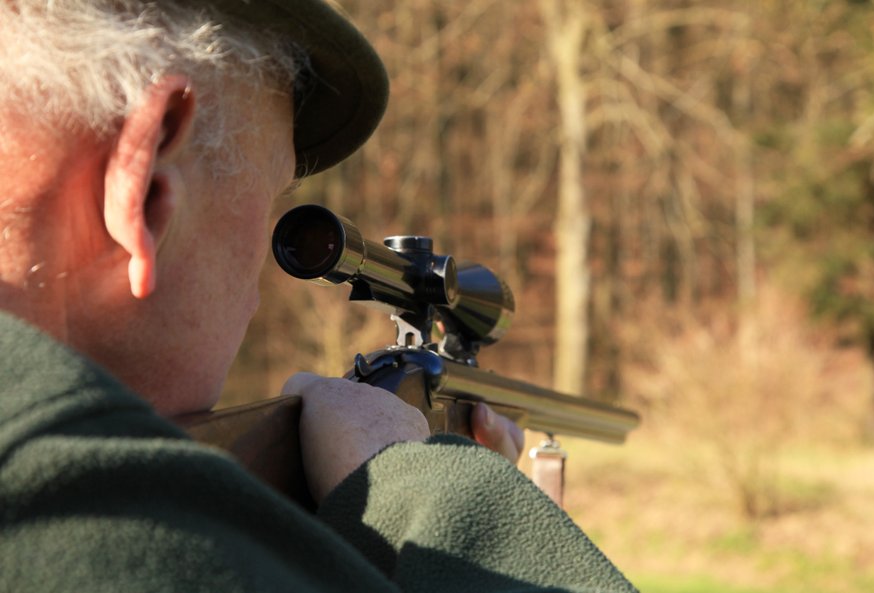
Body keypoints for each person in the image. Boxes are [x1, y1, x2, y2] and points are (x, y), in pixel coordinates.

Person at [0, 1, 638, 591]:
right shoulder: (113, 537)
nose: (255, 298)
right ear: (145, 188)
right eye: (274, 195)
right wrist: (450, 509)